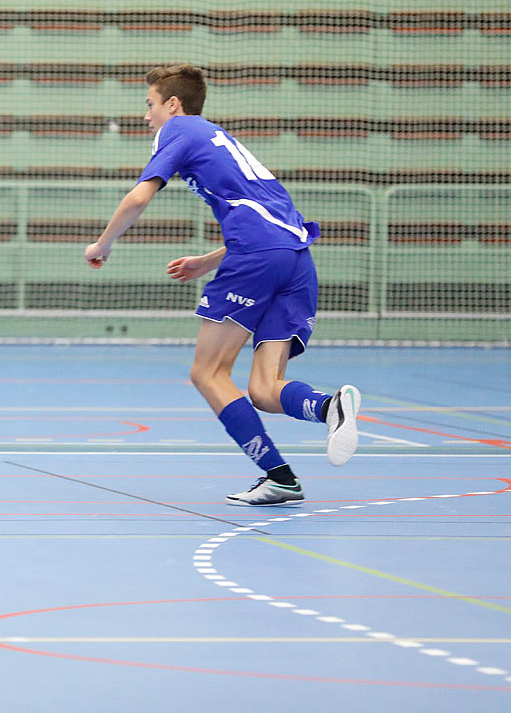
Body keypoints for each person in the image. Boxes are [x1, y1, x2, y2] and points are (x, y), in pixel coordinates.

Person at [84, 64, 360, 506]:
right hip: (294, 260)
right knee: (264, 390)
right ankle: (331, 409)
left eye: (149, 104)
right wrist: (207, 260)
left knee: (207, 372)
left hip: (256, 258)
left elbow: (138, 196)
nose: (146, 116)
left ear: (173, 105)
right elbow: (267, 221)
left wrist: (103, 244)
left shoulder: (179, 131)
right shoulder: (221, 139)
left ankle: (279, 474)